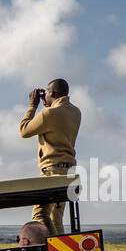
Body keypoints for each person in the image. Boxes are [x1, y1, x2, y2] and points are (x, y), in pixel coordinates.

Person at [19, 78, 80, 235]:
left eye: (46, 93)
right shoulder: (75, 112)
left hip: (52, 170)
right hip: (69, 170)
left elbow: (24, 130)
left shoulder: (48, 114)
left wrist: (32, 106)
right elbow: (57, 119)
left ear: (52, 93)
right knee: (55, 219)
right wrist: (50, 103)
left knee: (40, 214)